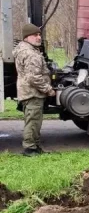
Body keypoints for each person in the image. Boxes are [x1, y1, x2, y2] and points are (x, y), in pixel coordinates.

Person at [13, 23, 55, 157]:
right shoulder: (31, 54)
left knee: (34, 121)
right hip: (33, 93)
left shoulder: (23, 49)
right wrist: (48, 89)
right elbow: (33, 78)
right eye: (35, 35)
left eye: (39, 35)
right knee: (33, 122)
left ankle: (35, 147)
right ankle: (30, 149)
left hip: (27, 92)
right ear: (26, 37)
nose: (39, 37)